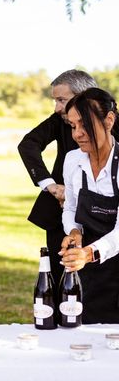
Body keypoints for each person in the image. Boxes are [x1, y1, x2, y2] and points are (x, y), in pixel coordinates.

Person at [18, 70, 97, 282]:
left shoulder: (113, 124)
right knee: (58, 277)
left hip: (103, 218)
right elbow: (28, 144)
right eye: (55, 100)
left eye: (61, 100)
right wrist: (51, 186)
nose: (57, 108)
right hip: (59, 213)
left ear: (86, 96)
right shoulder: (59, 119)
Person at [60, 87, 119, 324]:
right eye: (73, 126)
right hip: (91, 271)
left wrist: (89, 252)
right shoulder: (73, 160)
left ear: (109, 120)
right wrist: (74, 232)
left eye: (85, 124)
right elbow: (71, 208)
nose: (78, 134)